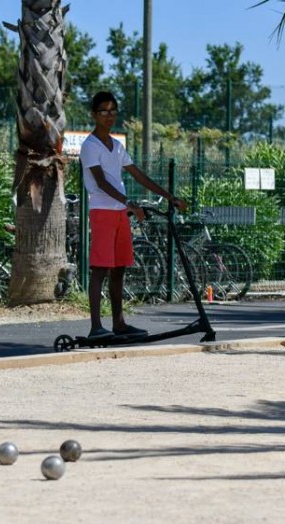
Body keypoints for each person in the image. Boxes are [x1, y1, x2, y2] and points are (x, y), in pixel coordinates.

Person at [80, 91, 187, 340]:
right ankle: (96, 327)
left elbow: (138, 175)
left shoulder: (117, 146)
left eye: (113, 111)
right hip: (103, 211)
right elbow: (101, 183)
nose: (109, 116)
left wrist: (170, 197)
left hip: (120, 213)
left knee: (119, 269)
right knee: (99, 269)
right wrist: (129, 202)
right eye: (104, 111)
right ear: (94, 114)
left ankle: (119, 324)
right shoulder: (90, 146)